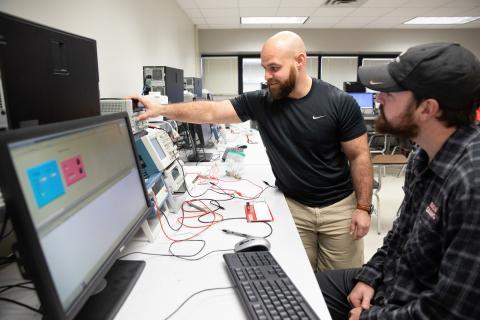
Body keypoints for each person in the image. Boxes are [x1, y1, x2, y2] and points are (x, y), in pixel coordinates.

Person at [133, 31, 373, 271]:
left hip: (339, 208)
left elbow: (359, 156)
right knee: (300, 278)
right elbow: (211, 112)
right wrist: (160, 109)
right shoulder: (261, 102)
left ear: (299, 61)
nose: (267, 76)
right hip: (293, 207)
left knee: (341, 283)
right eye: (264, 68)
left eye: (274, 68)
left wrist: (363, 207)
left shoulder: (338, 102)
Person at [316, 42, 480, 320]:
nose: (378, 97)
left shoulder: (471, 184)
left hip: (418, 307)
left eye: (390, 93)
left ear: (427, 109)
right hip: (395, 282)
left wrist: (369, 318)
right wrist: (370, 276)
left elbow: (451, 311)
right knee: (291, 287)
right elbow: (401, 233)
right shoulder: (422, 155)